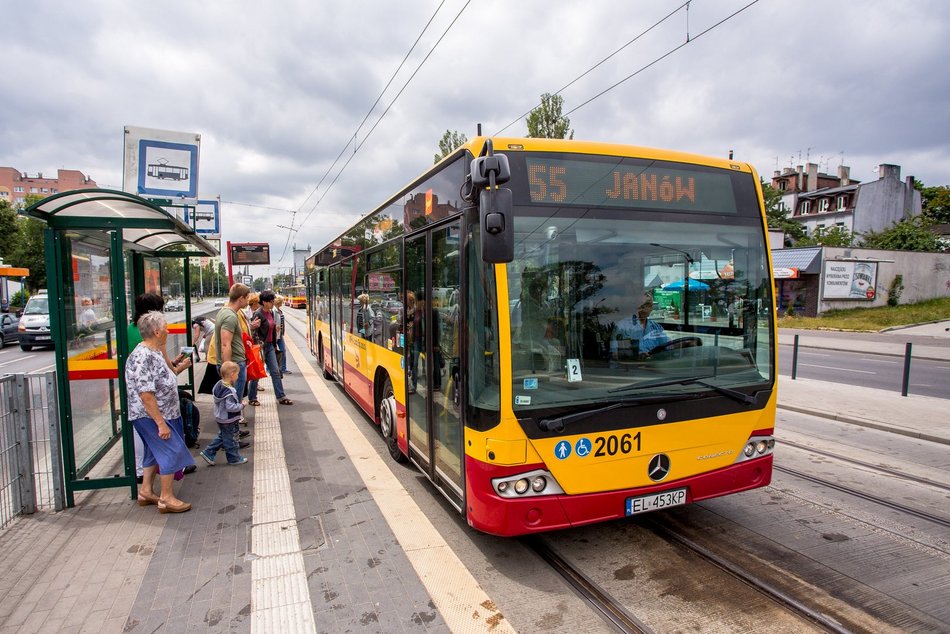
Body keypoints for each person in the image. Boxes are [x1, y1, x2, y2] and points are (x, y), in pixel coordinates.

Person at [125, 311, 194, 513]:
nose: (168, 330)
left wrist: (178, 368)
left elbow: (164, 379)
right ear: (156, 332)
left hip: (162, 413)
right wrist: (161, 424)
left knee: (152, 453)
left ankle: (146, 491)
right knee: (171, 451)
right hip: (153, 416)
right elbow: (146, 394)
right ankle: (166, 498)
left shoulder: (154, 351)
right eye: (165, 327)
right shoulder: (142, 356)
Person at [248, 290, 293, 406]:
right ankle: (252, 397)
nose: (273, 302)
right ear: (264, 302)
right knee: (257, 372)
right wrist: (257, 345)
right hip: (261, 347)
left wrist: (274, 343)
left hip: (270, 346)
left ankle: (281, 396)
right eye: (271, 301)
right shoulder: (258, 314)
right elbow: (253, 331)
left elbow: (271, 328)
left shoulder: (271, 313)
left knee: (275, 371)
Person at [198, 361, 248, 466]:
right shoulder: (228, 392)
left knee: (223, 436)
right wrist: (241, 405)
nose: (238, 376)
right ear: (232, 375)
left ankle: (208, 452)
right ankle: (233, 458)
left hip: (220, 417)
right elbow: (230, 407)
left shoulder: (219, 385)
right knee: (231, 439)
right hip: (228, 418)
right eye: (237, 374)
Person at [215, 284, 255, 405]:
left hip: (233, 363)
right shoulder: (230, 316)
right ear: (240, 298)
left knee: (232, 398)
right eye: (247, 298)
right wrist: (228, 369)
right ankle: (234, 420)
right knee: (233, 399)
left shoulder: (224, 312)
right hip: (234, 364)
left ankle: (234, 418)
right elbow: (225, 345)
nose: (248, 301)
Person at [612, 292, 670, 359]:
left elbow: (667, 345)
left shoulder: (656, 327)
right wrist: (636, 355)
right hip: (631, 367)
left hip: (652, 366)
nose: (644, 308)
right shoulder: (622, 327)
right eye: (641, 304)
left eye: (648, 305)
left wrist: (681, 344)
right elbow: (614, 354)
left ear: (652, 307)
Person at [274, 295, 290, 374]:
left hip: (280, 334)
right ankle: (269, 369)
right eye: (282, 302)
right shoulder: (274, 311)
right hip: (274, 335)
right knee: (272, 352)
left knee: (283, 350)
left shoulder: (279, 311)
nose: (282, 303)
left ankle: (283, 368)